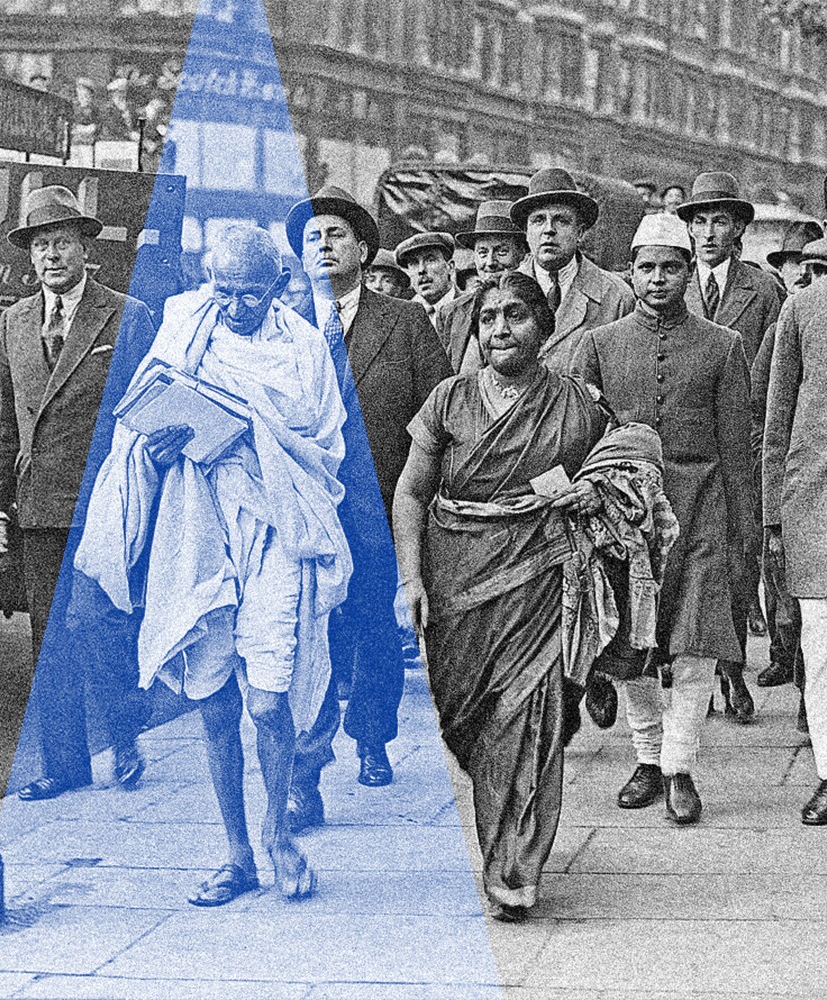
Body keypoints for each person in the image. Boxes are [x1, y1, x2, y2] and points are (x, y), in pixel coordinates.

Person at [74, 224, 351, 901]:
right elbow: (138, 431)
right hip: (197, 524)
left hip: (279, 526)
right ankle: (237, 856)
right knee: (212, 696)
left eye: (248, 296)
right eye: (221, 292)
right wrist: (160, 450)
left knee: (266, 699)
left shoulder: (306, 346)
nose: (231, 307)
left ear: (279, 288)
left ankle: (278, 835)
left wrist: (259, 442)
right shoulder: (184, 327)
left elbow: (323, 450)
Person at [392, 270, 661, 921]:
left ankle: (514, 868)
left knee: (531, 721)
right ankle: (504, 842)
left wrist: (594, 488)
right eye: (488, 318)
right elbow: (411, 493)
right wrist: (411, 579)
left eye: (516, 315)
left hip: (544, 585)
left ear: (542, 325)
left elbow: (635, 453)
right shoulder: (448, 401)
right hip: (460, 586)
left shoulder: (577, 401)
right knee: (475, 728)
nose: (501, 328)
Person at [573, 212, 753, 825]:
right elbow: (580, 442)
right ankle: (646, 757)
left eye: (670, 267)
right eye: (646, 267)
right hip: (625, 517)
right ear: (632, 270)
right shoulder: (599, 345)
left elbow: (736, 448)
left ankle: (680, 765)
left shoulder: (724, 346)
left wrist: (744, 534)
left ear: (687, 273)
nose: (658, 279)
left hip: (701, 508)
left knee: (698, 641)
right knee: (631, 640)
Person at [284, 186, 452, 827]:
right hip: (304, 510)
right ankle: (308, 764)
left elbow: (435, 414)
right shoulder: (285, 324)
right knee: (312, 633)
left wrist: (424, 497)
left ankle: (373, 739)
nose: (323, 246)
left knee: (377, 628)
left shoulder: (404, 323)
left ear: (361, 248)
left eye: (335, 235)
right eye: (312, 239)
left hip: (381, 502)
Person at [0, 185, 156, 800]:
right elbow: (0, 421)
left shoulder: (127, 316)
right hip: (36, 511)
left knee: (107, 630)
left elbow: (150, 412)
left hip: (106, 504)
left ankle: (126, 741)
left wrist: (144, 499)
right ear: (29, 258)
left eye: (62, 243)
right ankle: (64, 764)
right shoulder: (15, 320)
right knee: (48, 641)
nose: (52, 256)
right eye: (40, 246)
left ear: (86, 248)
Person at [678, 171, 783, 713]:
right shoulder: (672, 282)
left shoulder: (763, 290)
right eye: (700, 221)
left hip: (741, 443)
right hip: (689, 447)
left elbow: (769, 373)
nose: (710, 231)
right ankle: (684, 667)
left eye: (721, 220)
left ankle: (733, 668)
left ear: (739, 228)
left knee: (739, 563)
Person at [763, 274, 827, 826]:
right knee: (822, 647)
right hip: (818, 508)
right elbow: (776, 422)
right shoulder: (803, 310)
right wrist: (773, 517)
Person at [751, 224, 824, 694]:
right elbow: (772, 416)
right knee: (811, 625)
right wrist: (772, 512)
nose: (812, 278)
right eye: (811, 269)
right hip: (811, 494)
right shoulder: (795, 316)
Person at [511, 168, 634, 373]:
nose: (549, 229)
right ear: (526, 233)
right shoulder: (500, 294)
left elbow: (623, 382)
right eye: (538, 220)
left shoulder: (617, 297)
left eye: (562, 220)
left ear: (580, 232)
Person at [435, 200, 528, 373]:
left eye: (501, 252)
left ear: (521, 253)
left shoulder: (532, 307)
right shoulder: (450, 313)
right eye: (482, 253)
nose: (490, 262)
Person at [394, 231, 456, 322]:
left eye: (430, 260)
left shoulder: (470, 307)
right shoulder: (403, 315)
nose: (421, 270)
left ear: (450, 267)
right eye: (413, 263)